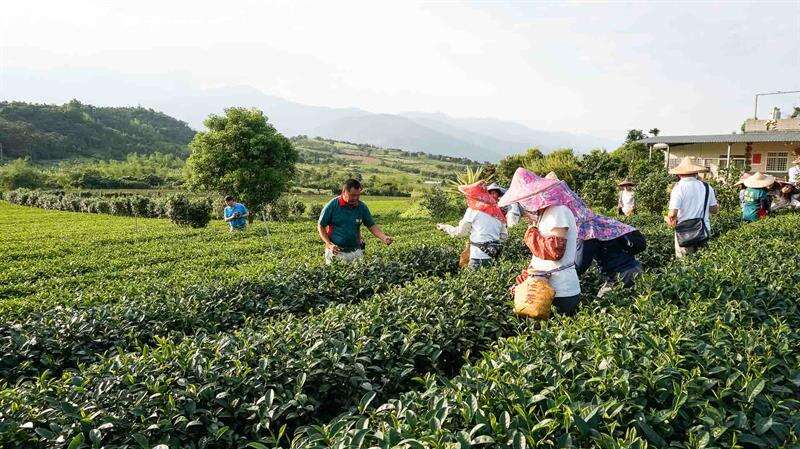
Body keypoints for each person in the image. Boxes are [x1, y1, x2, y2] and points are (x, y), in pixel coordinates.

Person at [499, 168, 581, 314]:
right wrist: (524, 280)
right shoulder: (545, 213)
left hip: (561, 291)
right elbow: (539, 258)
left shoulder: (558, 210)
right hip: (542, 290)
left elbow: (554, 251)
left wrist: (531, 234)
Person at [318, 179, 393, 264]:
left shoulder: (362, 207)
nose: (356, 198)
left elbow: (371, 226)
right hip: (336, 252)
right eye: (352, 195)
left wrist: (384, 237)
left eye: (358, 195)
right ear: (344, 192)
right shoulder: (332, 205)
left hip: (356, 251)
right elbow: (321, 226)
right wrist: (329, 244)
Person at [437, 181, 508, 269]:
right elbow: (504, 236)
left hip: (478, 258)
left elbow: (460, 232)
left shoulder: (473, 210)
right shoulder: (498, 212)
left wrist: (445, 227)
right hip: (493, 257)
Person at [665, 157, 719, 258]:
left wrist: (668, 218)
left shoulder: (678, 188)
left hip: (685, 233)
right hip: (704, 231)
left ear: (679, 174)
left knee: (685, 265)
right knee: (703, 262)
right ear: (696, 173)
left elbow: (672, 214)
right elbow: (714, 210)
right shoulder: (707, 187)